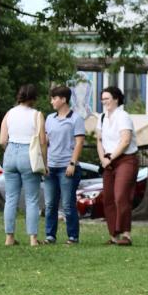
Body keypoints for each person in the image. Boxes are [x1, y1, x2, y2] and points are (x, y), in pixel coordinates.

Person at [0, 84, 46, 247]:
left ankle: (9, 237)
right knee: (32, 199)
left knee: (11, 198)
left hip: (11, 152)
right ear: (33, 98)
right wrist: (44, 164)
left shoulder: (10, 113)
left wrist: (11, 151)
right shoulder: (37, 115)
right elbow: (42, 142)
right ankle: (33, 238)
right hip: (29, 154)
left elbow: (2, 140)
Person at [96, 86, 139, 246]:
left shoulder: (123, 116)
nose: (104, 102)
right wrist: (103, 159)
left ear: (116, 99)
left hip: (125, 159)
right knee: (108, 198)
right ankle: (114, 234)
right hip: (108, 161)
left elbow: (125, 140)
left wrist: (111, 157)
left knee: (121, 196)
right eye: (102, 99)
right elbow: (99, 140)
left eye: (107, 98)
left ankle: (126, 234)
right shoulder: (102, 117)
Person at [43, 85, 85, 244]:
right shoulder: (49, 119)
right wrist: (44, 163)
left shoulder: (76, 119)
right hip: (50, 167)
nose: (52, 101)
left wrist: (72, 163)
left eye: (54, 98)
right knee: (50, 204)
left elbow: (79, 142)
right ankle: (50, 235)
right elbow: (46, 142)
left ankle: (73, 237)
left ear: (63, 100)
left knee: (67, 204)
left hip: (67, 167)